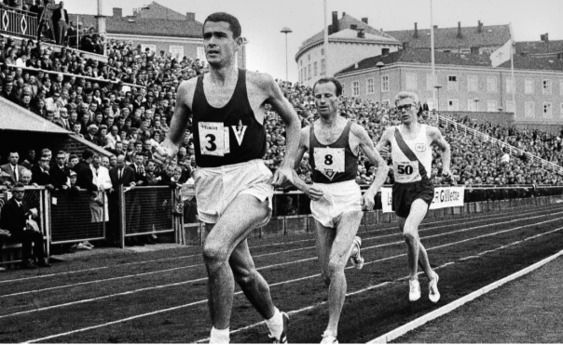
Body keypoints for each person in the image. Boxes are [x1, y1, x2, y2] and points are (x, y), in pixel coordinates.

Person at [154, 12, 301, 344]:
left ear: (238, 43)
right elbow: (172, 139)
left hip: (250, 179)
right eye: (207, 36)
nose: (211, 42)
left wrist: (288, 164)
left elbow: (293, 122)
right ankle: (277, 323)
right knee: (245, 274)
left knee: (213, 249)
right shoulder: (188, 90)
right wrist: (165, 149)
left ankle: (219, 338)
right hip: (211, 183)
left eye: (220, 36)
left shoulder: (258, 83)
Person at [289, 77, 389, 344]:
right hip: (320, 200)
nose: (321, 101)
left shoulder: (354, 131)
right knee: (326, 275)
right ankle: (354, 248)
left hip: (348, 199)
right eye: (317, 96)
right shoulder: (306, 133)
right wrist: (304, 187)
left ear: (338, 99)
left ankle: (332, 330)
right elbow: (289, 168)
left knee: (335, 266)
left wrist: (370, 192)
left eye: (326, 96)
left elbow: (382, 167)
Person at [375, 91, 451, 304]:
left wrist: (445, 168)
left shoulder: (429, 132)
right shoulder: (391, 132)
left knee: (409, 231)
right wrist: (374, 158)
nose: (404, 111)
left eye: (408, 106)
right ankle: (431, 275)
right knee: (412, 239)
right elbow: (374, 151)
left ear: (417, 107)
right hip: (400, 189)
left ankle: (413, 278)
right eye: (400, 108)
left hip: (421, 189)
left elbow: (446, 148)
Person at [0, 183, 51, 269]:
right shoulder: (8, 205)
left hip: (21, 231)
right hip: (10, 232)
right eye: (17, 192)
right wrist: (24, 228)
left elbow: (24, 218)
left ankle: (41, 260)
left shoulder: (24, 203)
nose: (20, 194)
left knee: (38, 234)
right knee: (28, 234)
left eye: (22, 192)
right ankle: (26, 261)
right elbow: (9, 224)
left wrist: (30, 217)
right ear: (13, 193)